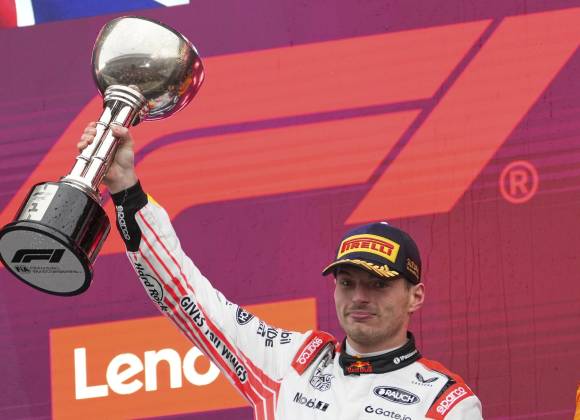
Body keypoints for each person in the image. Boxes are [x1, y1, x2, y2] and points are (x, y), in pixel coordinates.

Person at [78, 122, 483, 419]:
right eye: (347, 283)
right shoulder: (292, 361)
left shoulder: (446, 404)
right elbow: (185, 295)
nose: (359, 296)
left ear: (416, 296)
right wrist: (125, 187)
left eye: (377, 284)